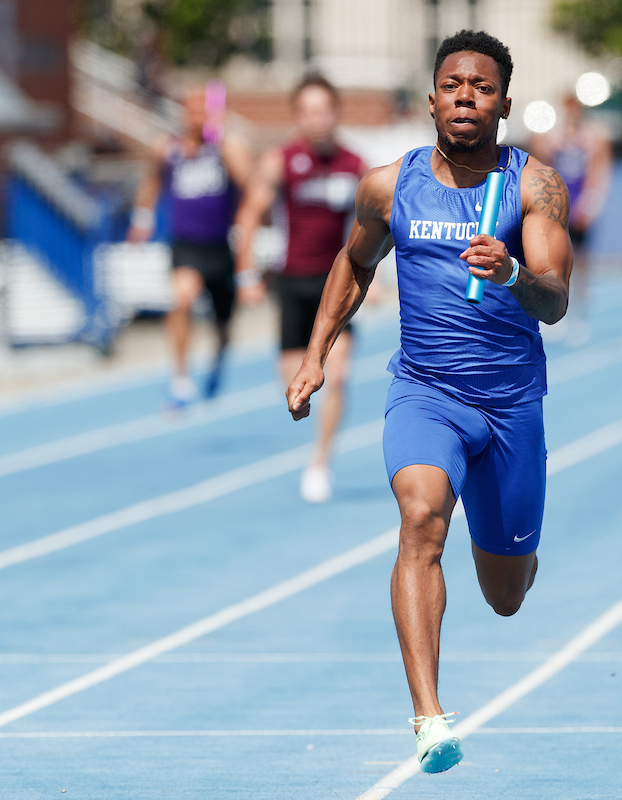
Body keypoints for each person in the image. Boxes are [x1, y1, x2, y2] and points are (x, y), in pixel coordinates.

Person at [284, 30, 571, 773]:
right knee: (419, 519)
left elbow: (556, 301)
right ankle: (429, 718)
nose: (466, 96)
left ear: (504, 101)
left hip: (510, 404)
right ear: (433, 99)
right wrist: (317, 354)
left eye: (481, 86)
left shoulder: (534, 186)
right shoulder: (390, 186)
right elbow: (354, 262)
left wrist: (511, 274)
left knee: (506, 594)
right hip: (427, 391)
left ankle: (515, 548)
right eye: (453, 85)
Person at [234, 73, 368, 503]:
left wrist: (374, 277)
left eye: (323, 111)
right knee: (294, 386)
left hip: (337, 283)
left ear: (335, 114)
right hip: (292, 283)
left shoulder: (354, 164)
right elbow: (249, 214)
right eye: (307, 112)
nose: (316, 120)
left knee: (339, 374)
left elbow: (375, 227)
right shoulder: (281, 160)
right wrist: (247, 273)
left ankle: (320, 463)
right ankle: (314, 440)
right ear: (297, 116)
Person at [129, 85, 253, 409]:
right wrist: (142, 218)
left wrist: (225, 143)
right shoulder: (168, 149)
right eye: (191, 110)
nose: (197, 117)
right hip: (186, 246)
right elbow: (151, 182)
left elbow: (251, 188)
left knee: (223, 327)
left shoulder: (225, 149)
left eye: (204, 110)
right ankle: (181, 377)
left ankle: (217, 362)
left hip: (219, 247)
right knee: (180, 301)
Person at [530, 93, 610, 345]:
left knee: (581, 265)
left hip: (580, 206)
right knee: (551, 261)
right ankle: (554, 313)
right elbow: (540, 165)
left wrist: (591, 205)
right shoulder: (552, 138)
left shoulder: (593, 139)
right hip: (558, 205)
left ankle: (580, 315)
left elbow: (600, 172)